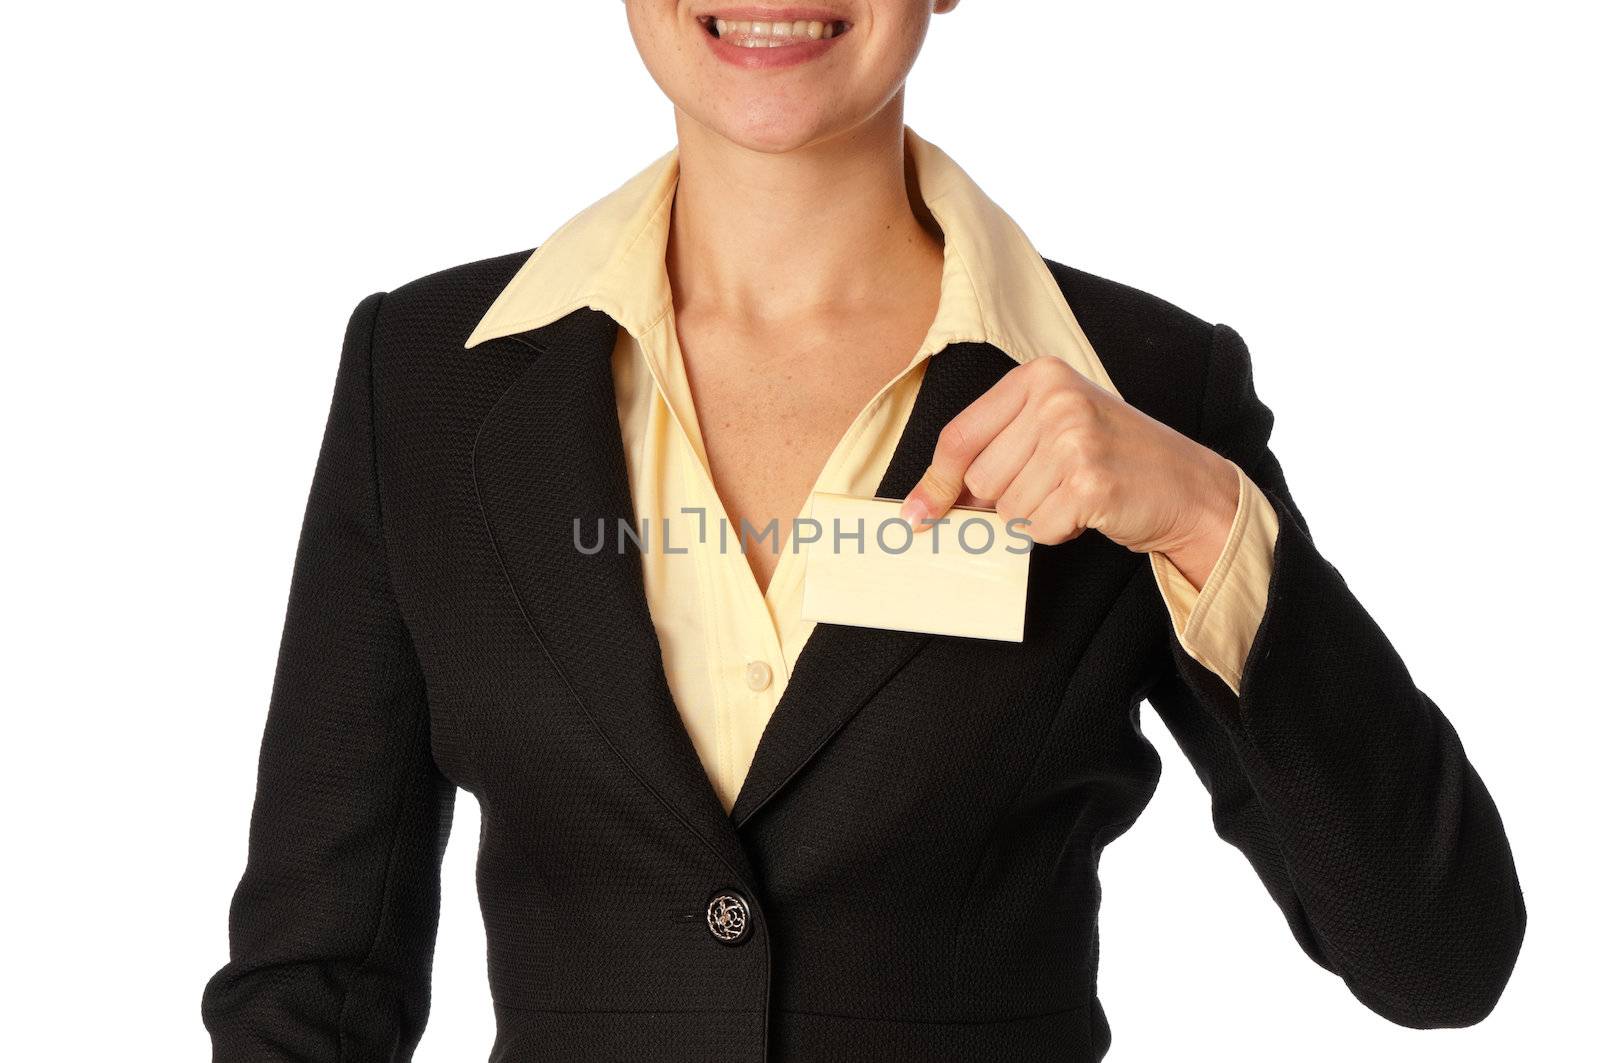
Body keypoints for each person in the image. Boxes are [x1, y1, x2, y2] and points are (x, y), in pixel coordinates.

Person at [200, 4, 1525, 1060]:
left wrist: (1203, 517)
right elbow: (314, 986)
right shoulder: (427, 379)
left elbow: (1438, 960)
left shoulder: (1139, 391)